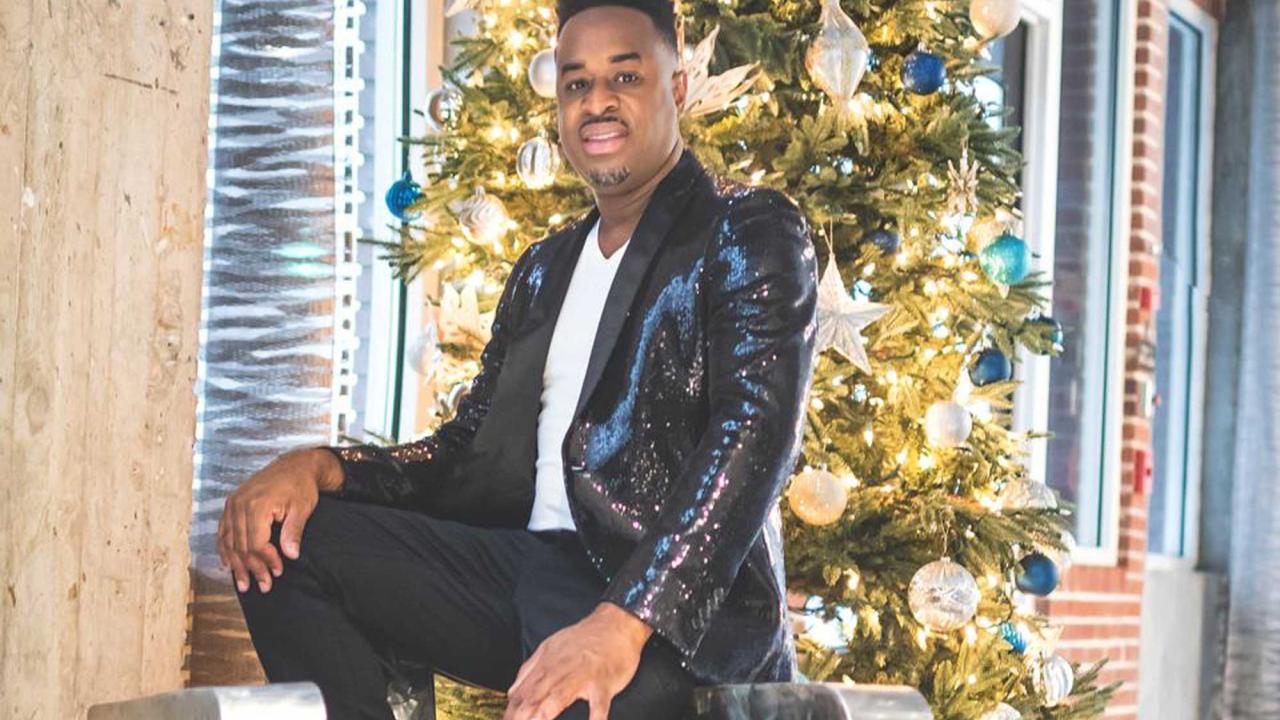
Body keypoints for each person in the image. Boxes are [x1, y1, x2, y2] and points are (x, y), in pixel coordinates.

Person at [218, 0, 819, 716]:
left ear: (677, 87)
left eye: (624, 77)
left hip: (672, 607)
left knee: (574, 700)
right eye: (575, 83)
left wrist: (621, 622)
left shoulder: (746, 228)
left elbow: (754, 438)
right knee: (289, 543)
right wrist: (323, 467)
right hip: (530, 572)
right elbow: (471, 454)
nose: (597, 102)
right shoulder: (543, 270)